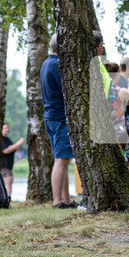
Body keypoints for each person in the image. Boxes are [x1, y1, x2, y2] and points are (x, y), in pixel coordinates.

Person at [41, 33, 76, 209]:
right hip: (59, 117)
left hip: (51, 115)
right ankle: (57, 201)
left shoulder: (46, 63)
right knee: (60, 160)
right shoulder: (56, 65)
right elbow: (66, 90)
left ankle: (66, 199)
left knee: (64, 159)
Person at [1, 123, 25, 197]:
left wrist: (18, 144)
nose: (8, 130)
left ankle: (6, 199)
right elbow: (5, 150)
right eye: (6, 128)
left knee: (8, 185)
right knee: (7, 185)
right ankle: (6, 199)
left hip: (8, 166)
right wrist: (17, 144)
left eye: (8, 128)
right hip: (4, 167)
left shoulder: (7, 139)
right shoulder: (1, 139)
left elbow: (13, 148)